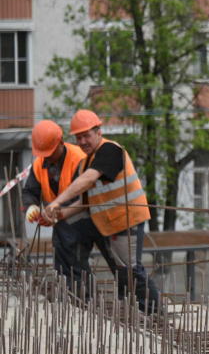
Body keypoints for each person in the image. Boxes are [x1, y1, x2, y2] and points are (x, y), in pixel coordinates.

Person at [44, 109, 160, 314]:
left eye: (86, 135)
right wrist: (57, 216)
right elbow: (84, 202)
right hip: (107, 222)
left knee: (130, 270)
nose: (82, 141)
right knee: (66, 230)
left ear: (99, 131)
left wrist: (57, 202)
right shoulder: (86, 162)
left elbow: (89, 180)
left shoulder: (110, 150)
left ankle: (153, 312)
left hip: (126, 220)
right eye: (78, 137)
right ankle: (78, 293)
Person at [21, 120, 92, 292]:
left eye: (50, 152)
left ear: (61, 142)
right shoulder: (39, 164)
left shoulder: (79, 158)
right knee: (62, 255)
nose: (48, 156)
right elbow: (30, 190)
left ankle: (82, 298)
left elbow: (81, 197)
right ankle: (72, 296)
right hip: (60, 219)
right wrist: (32, 206)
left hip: (83, 214)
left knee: (74, 255)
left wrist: (53, 214)